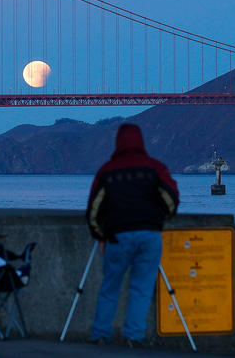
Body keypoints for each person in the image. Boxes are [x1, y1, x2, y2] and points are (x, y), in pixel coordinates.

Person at [85, 123, 179, 347]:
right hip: (149, 235)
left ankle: (100, 335)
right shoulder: (155, 168)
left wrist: (100, 236)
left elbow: (93, 211)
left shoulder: (106, 171)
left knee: (109, 288)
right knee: (141, 289)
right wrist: (159, 220)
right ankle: (133, 337)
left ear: (118, 142)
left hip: (117, 238)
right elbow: (171, 200)